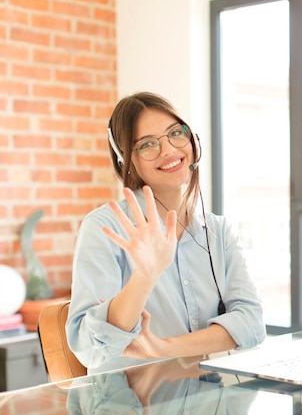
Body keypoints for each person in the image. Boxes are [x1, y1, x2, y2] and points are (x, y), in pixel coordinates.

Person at [66, 91, 265, 374]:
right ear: (126, 160)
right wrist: (144, 277)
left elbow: (251, 324)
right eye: (147, 145)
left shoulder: (218, 231)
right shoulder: (104, 228)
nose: (169, 150)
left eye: (175, 133)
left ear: (193, 139)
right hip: (133, 402)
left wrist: (166, 349)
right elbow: (90, 348)